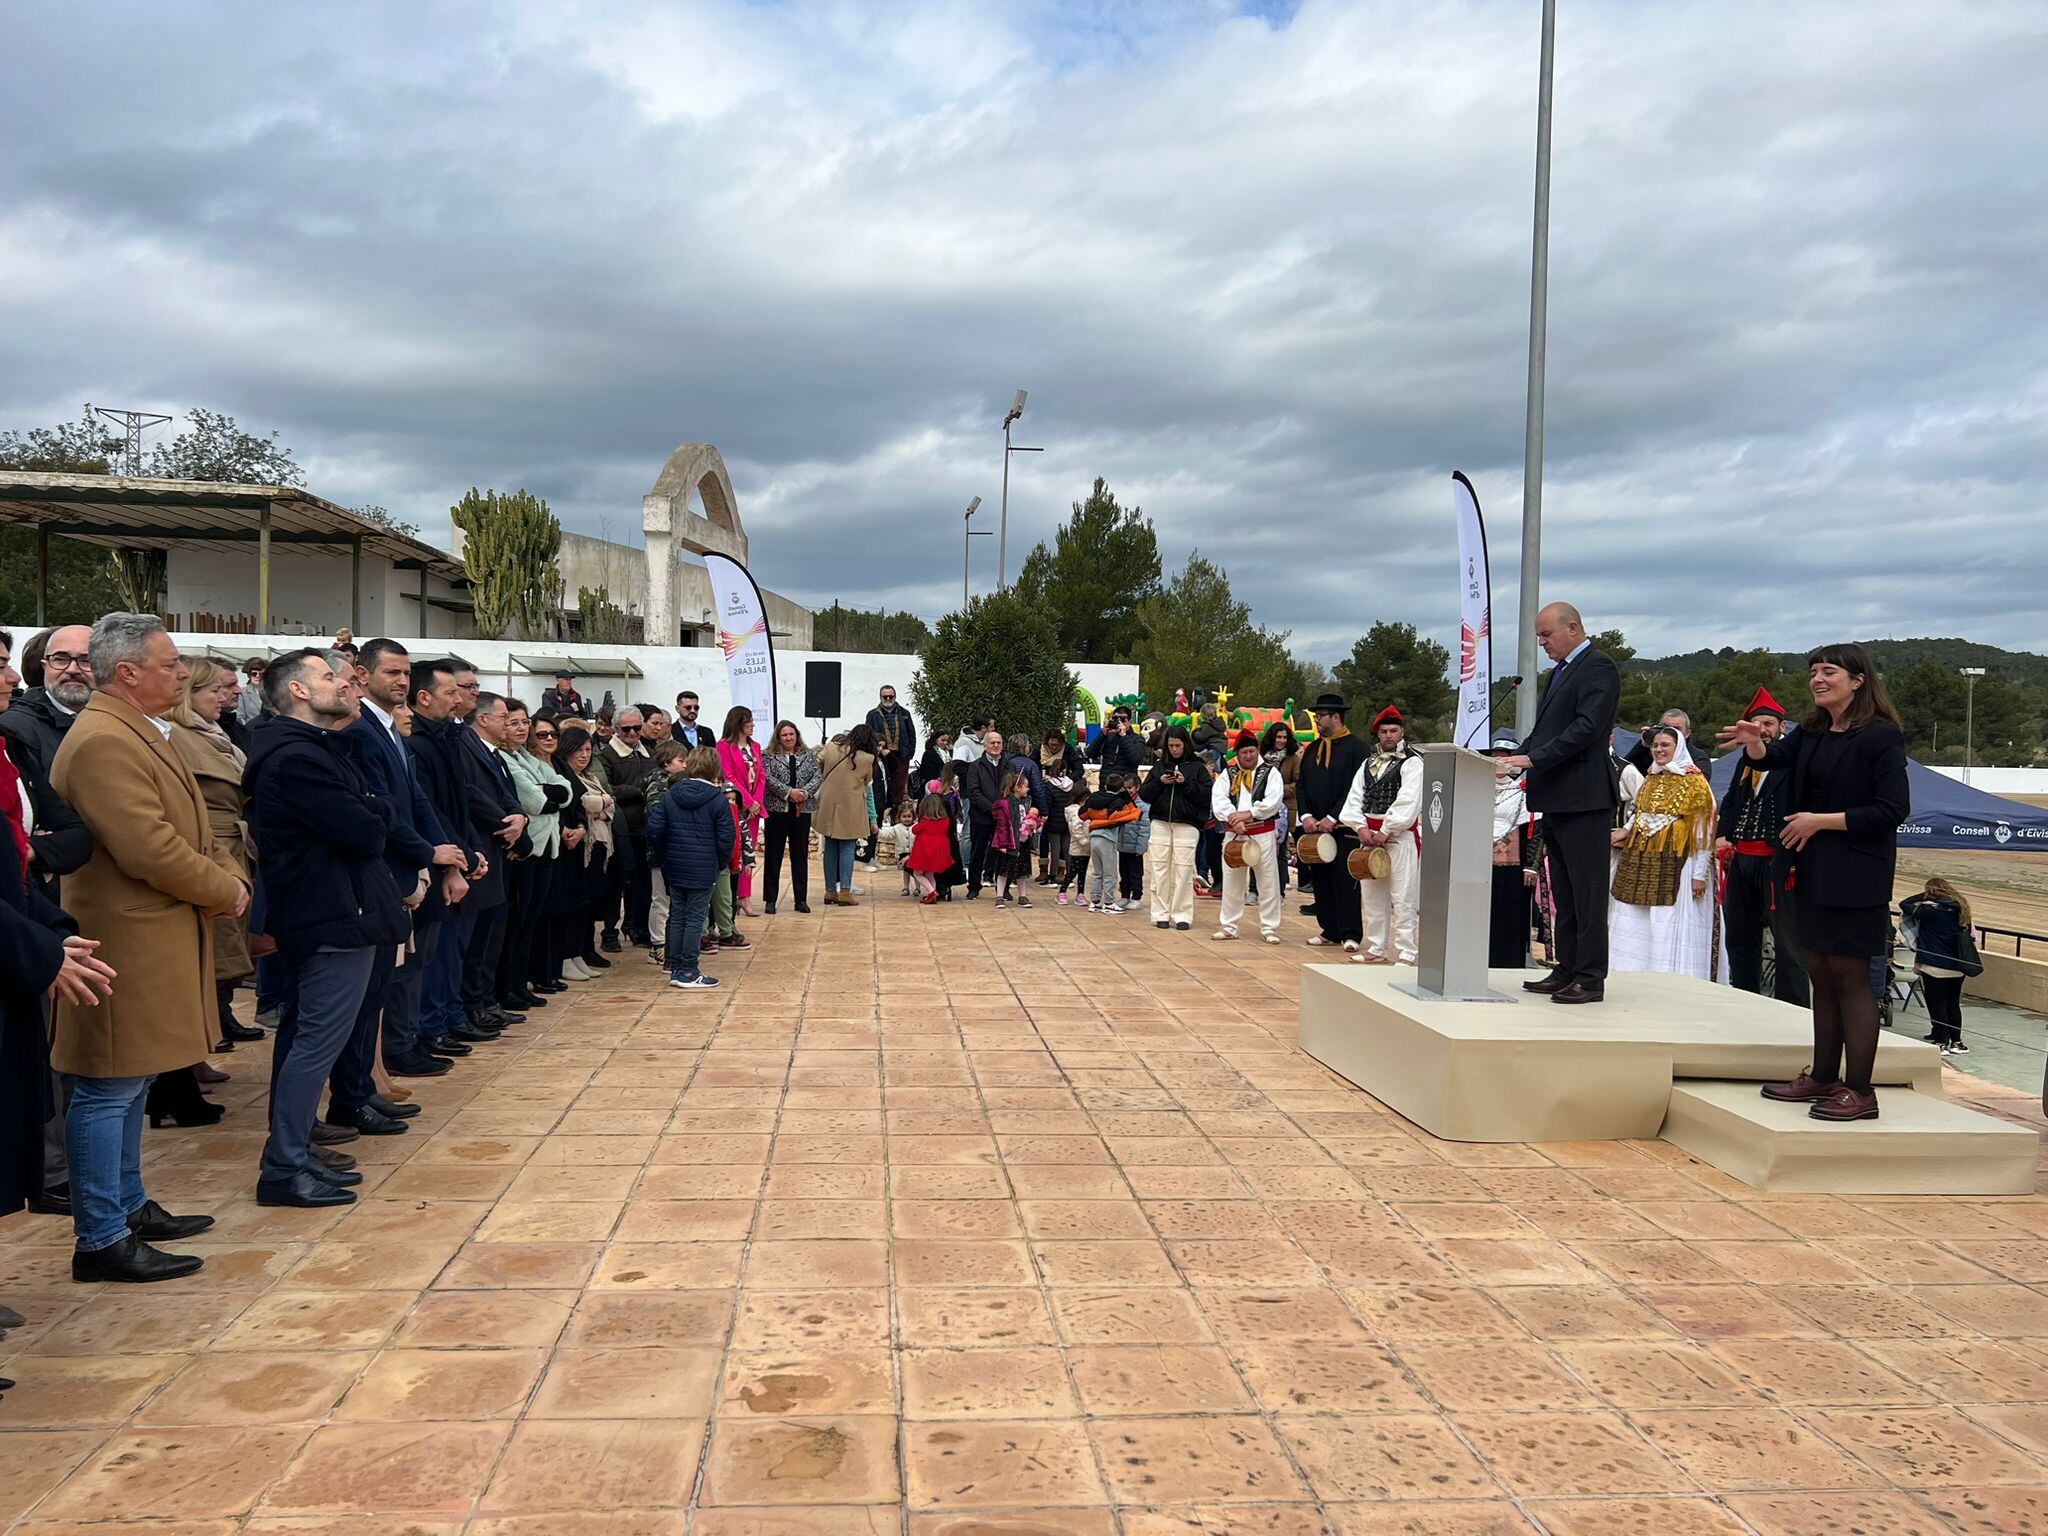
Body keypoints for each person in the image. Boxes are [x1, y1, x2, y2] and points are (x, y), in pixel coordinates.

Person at [50, 614, 246, 1280]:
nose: (182, 674)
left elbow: (197, 826)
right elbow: (149, 848)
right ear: (127, 672)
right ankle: (101, 1236)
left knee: (131, 1081)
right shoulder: (104, 739)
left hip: (156, 929)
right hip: (124, 937)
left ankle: (128, 1206)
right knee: (109, 1083)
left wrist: (228, 877)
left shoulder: (142, 729)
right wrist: (225, 890)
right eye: (169, 664)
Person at [244, 649, 409, 1208]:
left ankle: (295, 1153)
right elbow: (366, 830)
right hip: (329, 915)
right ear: (296, 690)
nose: (343, 683)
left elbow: (376, 808)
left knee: (315, 1039)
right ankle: (284, 1165)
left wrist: (372, 809)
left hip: (342, 909)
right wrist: (373, 812)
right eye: (328, 676)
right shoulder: (295, 759)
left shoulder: (318, 748)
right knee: (314, 1043)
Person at [1718, 643, 1910, 1122]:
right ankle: (1824, 1075)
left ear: (1858, 679)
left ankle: (1860, 1090)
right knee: (1822, 978)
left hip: (1854, 875)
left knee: (1850, 981)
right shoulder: (1814, 731)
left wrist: (1821, 821)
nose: (1818, 679)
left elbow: (1892, 810)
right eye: (1813, 672)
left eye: (1829, 672)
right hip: (1807, 871)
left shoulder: (1881, 737)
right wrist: (1754, 742)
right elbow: (1771, 761)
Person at [350, 640, 469, 1081]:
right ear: (363, 675)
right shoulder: (364, 728)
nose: (400, 681)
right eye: (391, 673)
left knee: (408, 966)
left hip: (422, 859)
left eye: (405, 673)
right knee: (391, 974)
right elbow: (385, 809)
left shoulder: (391, 730)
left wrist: (452, 854)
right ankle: (380, 1066)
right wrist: (431, 853)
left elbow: (418, 802)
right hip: (391, 871)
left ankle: (384, 1064)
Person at [1496, 605, 1623, 1004]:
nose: (1542, 642)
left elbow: (1586, 728)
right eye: (1539, 635)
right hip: (1557, 797)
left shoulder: (1598, 667)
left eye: (1547, 634)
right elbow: (1545, 732)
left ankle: (1590, 976)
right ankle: (1566, 967)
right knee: (1564, 892)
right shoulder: (1561, 671)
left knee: (1587, 892)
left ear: (1573, 628)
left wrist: (1532, 759)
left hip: (1584, 797)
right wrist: (1511, 759)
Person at [163, 661, 253, 1117]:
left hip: (230, 853)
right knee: (201, 963)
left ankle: (195, 1057)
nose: (223, 697)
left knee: (218, 962)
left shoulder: (216, 737)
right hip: (208, 857)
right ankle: (179, 1074)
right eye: (213, 690)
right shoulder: (178, 739)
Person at [403, 659, 498, 1066]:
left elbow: (460, 801)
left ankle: (449, 1015)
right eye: (452, 692)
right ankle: (431, 1025)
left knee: (452, 948)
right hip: (440, 857)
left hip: (459, 850)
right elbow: (430, 809)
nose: (461, 699)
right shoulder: (419, 743)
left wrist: (471, 849)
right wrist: (455, 856)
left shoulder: (447, 738)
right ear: (424, 698)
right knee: (431, 955)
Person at [1608, 725, 1726, 982]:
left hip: (1677, 858)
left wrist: (1699, 874)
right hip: (1641, 856)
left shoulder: (1695, 781)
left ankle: (1669, 975)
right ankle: (1632, 972)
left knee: (1668, 916)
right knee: (1634, 912)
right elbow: (1639, 812)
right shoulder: (1650, 778)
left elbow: (1703, 829)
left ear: (1679, 747)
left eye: (1665, 745)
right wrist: (1625, 831)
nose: (1659, 750)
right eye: (1655, 746)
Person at [1718, 686, 1809, 1006]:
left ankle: (1792, 1012)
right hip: (1742, 859)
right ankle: (1745, 1003)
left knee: (1788, 945)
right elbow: (1731, 801)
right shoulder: (1746, 761)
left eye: (1768, 724)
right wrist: (1722, 834)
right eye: (1756, 724)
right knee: (1740, 938)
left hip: (1779, 863)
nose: (1762, 730)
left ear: (1783, 727)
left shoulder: (1795, 758)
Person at [501, 704, 574, 1004]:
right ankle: (509, 986)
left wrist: (548, 792)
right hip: (526, 848)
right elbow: (536, 800)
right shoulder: (505, 758)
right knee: (518, 920)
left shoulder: (527, 757)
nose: (521, 728)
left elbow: (566, 790)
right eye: (513, 722)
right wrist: (547, 793)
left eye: (524, 722)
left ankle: (521, 983)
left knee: (531, 919)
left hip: (546, 845)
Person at [1340, 706, 1424, 966]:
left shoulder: (1413, 762)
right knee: (1372, 895)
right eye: (1384, 731)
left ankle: (1407, 952)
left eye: (1393, 731)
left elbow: (1409, 800)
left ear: (1402, 732)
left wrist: (1386, 830)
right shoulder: (1367, 764)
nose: (1389, 736)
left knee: (1403, 896)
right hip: (1368, 836)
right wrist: (1360, 828)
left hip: (1399, 838)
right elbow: (1354, 798)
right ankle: (1377, 947)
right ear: (1377, 733)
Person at [647, 745, 734, 989]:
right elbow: (727, 837)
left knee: (677, 916)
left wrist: (667, 852)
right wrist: (719, 862)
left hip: (674, 865)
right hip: (703, 867)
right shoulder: (717, 799)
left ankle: (675, 967)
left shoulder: (671, 794)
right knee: (695, 919)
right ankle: (688, 970)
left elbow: (654, 828)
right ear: (714, 768)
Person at [1296, 693, 1370, 952]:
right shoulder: (1314, 748)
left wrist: (1332, 817)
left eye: (1320, 715)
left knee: (1344, 880)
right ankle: (1329, 928)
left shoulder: (1357, 748)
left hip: (1343, 828)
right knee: (1321, 879)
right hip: (1315, 827)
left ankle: (1350, 932)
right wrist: (1306, 816)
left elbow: (1355, 788)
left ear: (1336, 717)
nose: (1317, 719)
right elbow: (1302, 784)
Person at [1211, 729, 1285, 943]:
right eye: (1244, 752)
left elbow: (1274, 801)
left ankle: (1269, 927)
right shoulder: (1228, 773)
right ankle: (1229, 926)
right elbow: (1219, 800)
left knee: (1268, 881)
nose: (1249, 756)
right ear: (1238, 753)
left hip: (1262, 832)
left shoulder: (1271, 773)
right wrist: (1233, 817)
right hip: (1235, 834)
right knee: (1232, 881)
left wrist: (1250, 814)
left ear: (1258, 750)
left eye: (1252, 751)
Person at [594, 707, 657, 947]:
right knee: (616, 882)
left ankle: (637, 927)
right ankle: (609, 932)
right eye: (626, 728)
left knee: (643, 883)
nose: (632, 733)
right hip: (619, 828)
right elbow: (608, 789)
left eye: (637, 728)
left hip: (644, 828)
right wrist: (640, 789)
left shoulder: (649, 753)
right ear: (616, 729)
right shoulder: (606, 755)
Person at [555, 725, 614, 975]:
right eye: (578, 750)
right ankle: (569, 954)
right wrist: (603, 803)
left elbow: (610, 808)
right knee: (576, 904)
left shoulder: (592, 778)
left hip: (600, 847)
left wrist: (601, 805)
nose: (584, 755)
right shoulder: (568, 778)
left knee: (590, 904)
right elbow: (584, 802)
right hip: (579, 848)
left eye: (588, 749)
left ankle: (582, 951)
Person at [1140, 726, 1210, 930]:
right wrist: (1160, 783)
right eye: (1170, 746)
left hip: (1187, 824)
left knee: (1184, 870)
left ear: (1185, 745)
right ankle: (1160, 913)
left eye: (1178, 746)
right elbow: (1145, 794)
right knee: (1159, 869)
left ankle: (1182, 915)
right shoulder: (1160, 766)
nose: (1174, 750)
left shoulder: (1197, 767)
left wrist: (1185, 783)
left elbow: (1206, 796)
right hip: (1161, 822)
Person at [1901, 878, 1974, 1056]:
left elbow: (1905, 904)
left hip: (1934, 965)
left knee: (1938, 1002)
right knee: (1953, 1003)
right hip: (1958, 966)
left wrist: (1926, 895)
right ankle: (1956, 1041)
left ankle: (1941, 1041)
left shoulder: (1930, 911)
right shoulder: (1962, 911)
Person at [1486, 733, 1537, 969]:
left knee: (1511, 913)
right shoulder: (1477, 788)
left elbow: (1535, 831)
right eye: (1496, 757)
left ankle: (1510, 960)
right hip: (1481, 861)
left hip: (1513, 864)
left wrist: (1531, 865)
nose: (1500, 762)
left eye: (1506, 758)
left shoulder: (1524, 792)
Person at [815, 724, 878, 905]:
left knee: (831, 846)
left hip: (828, 802)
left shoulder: (832, 747)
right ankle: (844, 891)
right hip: (851, 805)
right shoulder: (867, 758)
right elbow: (867, 781)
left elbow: (819, 760)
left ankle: (829, 891)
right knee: (848, 847)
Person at [762, 720, 820, 915]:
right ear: (778, 737)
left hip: (801, 811)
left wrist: (803, 792)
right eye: (784, 735)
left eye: (791, 734)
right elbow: (767, 778)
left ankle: (801, 899)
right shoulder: (768, 756)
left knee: (800, 855)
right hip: (777, 811)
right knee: (773, 854)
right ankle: (770, 899)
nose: (788, 738)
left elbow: (817, 777)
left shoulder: (808, 755)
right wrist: (788, 792)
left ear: (797, 735)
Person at [718, 706, 767, 915]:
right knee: (734, 850)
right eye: (749, 722)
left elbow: (762, 775)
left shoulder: (755, 746)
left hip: (754, 807)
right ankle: (729, 895)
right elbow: (729, 776)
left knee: (749, 850)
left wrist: (756, 801)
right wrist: (747, 801)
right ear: (739, 723)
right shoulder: (724, 747)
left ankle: (744, 896)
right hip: (735, 805)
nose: (753, 725)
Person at [961, 728, 1009, 900]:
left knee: (1004, 854)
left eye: (999, 743)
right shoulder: (975, 766)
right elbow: (973, 793)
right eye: (992, 742)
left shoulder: (1008, 765)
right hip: (982, 817)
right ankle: (974, 886)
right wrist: (993, 809)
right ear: (985, 745)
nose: (996, 746)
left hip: (1004, 818)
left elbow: (1011, 789)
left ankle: (1004, 889)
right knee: (977, 852)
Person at [1080, 772, 1137, 913]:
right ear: (1121, 788)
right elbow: (1135, 812)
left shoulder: (1093, 798)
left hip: (1094, 837)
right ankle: (1109, 902)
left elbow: (1082, 814)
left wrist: (1097, 818)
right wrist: (1124, 795)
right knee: (1110, 873)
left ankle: (1095, 901)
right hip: (1108, 839)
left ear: (1105, 785)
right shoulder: (1118, 801)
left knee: (1097, 872)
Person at [1260, 720, 1302, 898]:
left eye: (1285, 737)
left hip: (1284, 809)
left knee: (1280, 851)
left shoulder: (1293, 759)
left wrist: (1277, 791)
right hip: (1262, 808)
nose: (1282, 740)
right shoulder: (1262, 756)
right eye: (1279, 736)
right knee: (1260, 851)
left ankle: (1280, 891)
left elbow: (1298, 783)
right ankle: (1257, 890)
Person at [990, 766, 1038, 909]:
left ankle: (1022, 896)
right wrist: (1002, 844)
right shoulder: (1004, 804)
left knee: (1022, 871)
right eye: (1025, 786)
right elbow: (1002, 826)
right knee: (1003, 870)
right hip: (1009, 843)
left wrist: (1034, 824)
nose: (1028, 789)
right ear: (1017, 787)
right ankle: (1000, 896)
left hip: (1022, 843)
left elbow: (1029, 819)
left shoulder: (1026, 802)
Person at [866, 685, 918, 812]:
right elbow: (868, 735)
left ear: (895, 696)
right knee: (882, 786)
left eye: (891, 696)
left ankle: (897, 816)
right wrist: (878, 750)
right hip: (881, 756)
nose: (888, 699)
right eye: (885, 696)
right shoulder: (872, 714)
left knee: (899, 787)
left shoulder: (904, 713)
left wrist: (909, 752)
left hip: (901, 755)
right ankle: (881, 814)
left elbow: (912, 734)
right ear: (880, 697)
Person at [1038, 729, 1078, 886]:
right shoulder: (1070, 786)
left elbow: (1079, 767)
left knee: (1054, 846)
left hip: (1053, 819)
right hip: (1065, 820)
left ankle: (1054, 874)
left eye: (1057, 745)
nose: (1054, 748)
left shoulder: (1050, 786)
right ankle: (1068, 873)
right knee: (1066, 846)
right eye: (1051, 745)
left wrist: (1044, 814)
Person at [905, 792, 956, 903]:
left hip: (925, 850)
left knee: (917, 873)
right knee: (930, 873)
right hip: (941, 849)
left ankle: (932, 891)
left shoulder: (926, 822)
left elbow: (914, 830)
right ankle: (932, 895)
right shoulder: (946, 821)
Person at [1625, 708, 1707, 775]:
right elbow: (1624, 770)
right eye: (1665, 727)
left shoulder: (1698, 757)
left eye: (1676, 729)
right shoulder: (1651, 752)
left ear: (1687, 734)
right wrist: (1643, 745)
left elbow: (1701, 788)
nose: (1670, 732)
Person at [1118, 777, 1150, 908]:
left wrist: (1141, 847)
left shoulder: (1143, 806)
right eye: (1125, 788)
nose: (1128, 790)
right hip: (1122, 845)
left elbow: (1144, 829)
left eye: (1130, 787)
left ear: (1137, 787)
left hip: (1135, 847)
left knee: (1135, 873)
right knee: (1123, 873)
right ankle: (1124, 896)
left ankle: (1136, 897)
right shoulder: (1121, 803)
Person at [1087, 710, 1144, 781]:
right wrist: (1102, 734)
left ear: (1130, 722)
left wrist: (1124, 736)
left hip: (1125, 784)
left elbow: (1136, 759)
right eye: (1116, 720)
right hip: (1106, 784)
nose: (1119, 723)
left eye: (1123, 721)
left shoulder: (1137, 739)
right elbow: (1090, 753)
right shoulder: (1109, 736)